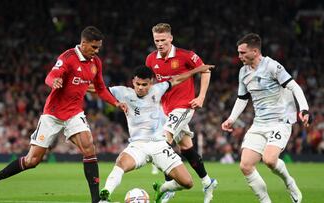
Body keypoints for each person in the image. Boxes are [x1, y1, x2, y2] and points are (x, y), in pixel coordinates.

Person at [0, 26, 128, 203]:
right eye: (94, 47)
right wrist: (54, 81)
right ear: (83, 43)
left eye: (99, 47)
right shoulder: (67, 57)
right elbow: (51, 75)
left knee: (89, 147)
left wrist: (116, 103)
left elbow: (100, 88)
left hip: (74, 112)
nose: (97, 51)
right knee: (32, 160)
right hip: (53, 114)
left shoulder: (96, 63)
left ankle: (96, 201)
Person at [98, 65, 214, 203]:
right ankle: (105, 196)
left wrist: (197, 70)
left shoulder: (158, 89)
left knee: (187, 183)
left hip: (159, 144)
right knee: (121, 163)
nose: (140, 87)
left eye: (144, 84)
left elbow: (177, 79)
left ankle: (163, 188)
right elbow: (98, 89)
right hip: (138, 145)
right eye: (137, 84)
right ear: (133, 82)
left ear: (151, 83)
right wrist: (70, 85)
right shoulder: (122, 92)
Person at [221, 33, 310, 203]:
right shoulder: (243, 72)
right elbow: (242, 98)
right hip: (259, 123)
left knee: (269, 160)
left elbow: (295, 87)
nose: (239, 56)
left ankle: (290, 183)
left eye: (242, 52)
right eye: (238, 52)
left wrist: (304, 110)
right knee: (245, 165)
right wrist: (231, 118)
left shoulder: (272, 66)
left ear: (255, 51)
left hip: (279, 122)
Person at [145, 23, 217, 203]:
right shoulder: (151, 59)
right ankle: (208, 182)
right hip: (165, 109)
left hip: (184, 106)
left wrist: (201, 97)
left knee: (162, 142)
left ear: (170, 38)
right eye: (156, 40)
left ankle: (169, 184)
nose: (159, 44)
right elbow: (152, 84)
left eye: (163, 40)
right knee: (186, 148)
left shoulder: (186, 55)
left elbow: (205, 70)